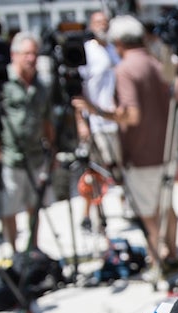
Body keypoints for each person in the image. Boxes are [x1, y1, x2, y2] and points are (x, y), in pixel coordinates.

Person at [78, 16, 178, 274]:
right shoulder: (157, 64)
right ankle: (173, 253)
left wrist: (98, 112)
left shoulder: (125, 69)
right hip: (166, 149)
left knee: (149, 213)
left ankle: (157, 263)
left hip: (142, 153)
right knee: (167, 207)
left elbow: (131, 115)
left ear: (119, 42)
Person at [0, 32, 53, 254]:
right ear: (15, 55)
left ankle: (33, 247)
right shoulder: (1, 80)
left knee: (34, 204)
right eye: (27, 53)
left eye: (35, 54)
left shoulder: (41, 83)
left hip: (36, 155)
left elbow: (47, 117)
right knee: (10, 206)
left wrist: (52, 147)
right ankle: (13, 251)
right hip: (10, 155)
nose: (32, 58)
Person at [76, 11, 120, 232]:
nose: (103, 26)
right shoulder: (88, 51)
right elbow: (78, 91)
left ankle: (127, 208)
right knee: (95, 172)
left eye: (106, 22)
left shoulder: (114, 49)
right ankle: (93, 215)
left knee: (118, 171)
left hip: (116, 121)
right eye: (98, 23)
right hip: (95, 121)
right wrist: (81, 121)